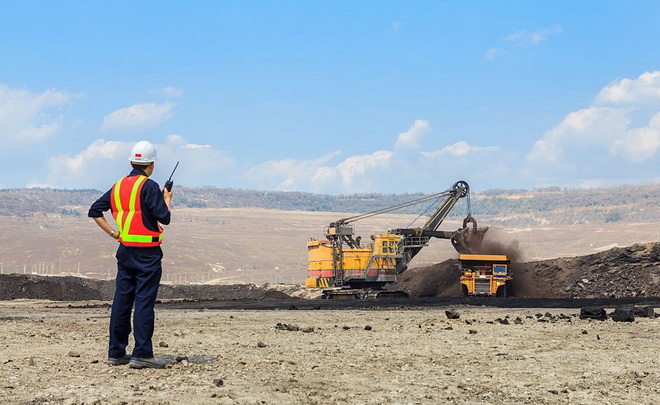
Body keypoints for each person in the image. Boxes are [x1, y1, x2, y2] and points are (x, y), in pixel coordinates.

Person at [88, 140, 173, 369]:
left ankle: (116, 352)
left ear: (131, 162)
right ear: (151, 165)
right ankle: (142, 354)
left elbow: (94, 211)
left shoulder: (117, 187)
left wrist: (114, 234)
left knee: (122, 301)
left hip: (125, 252)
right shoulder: (149, 186)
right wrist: (167, 200)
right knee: (144, 302)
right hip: (147, 255)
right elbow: (164, 218)